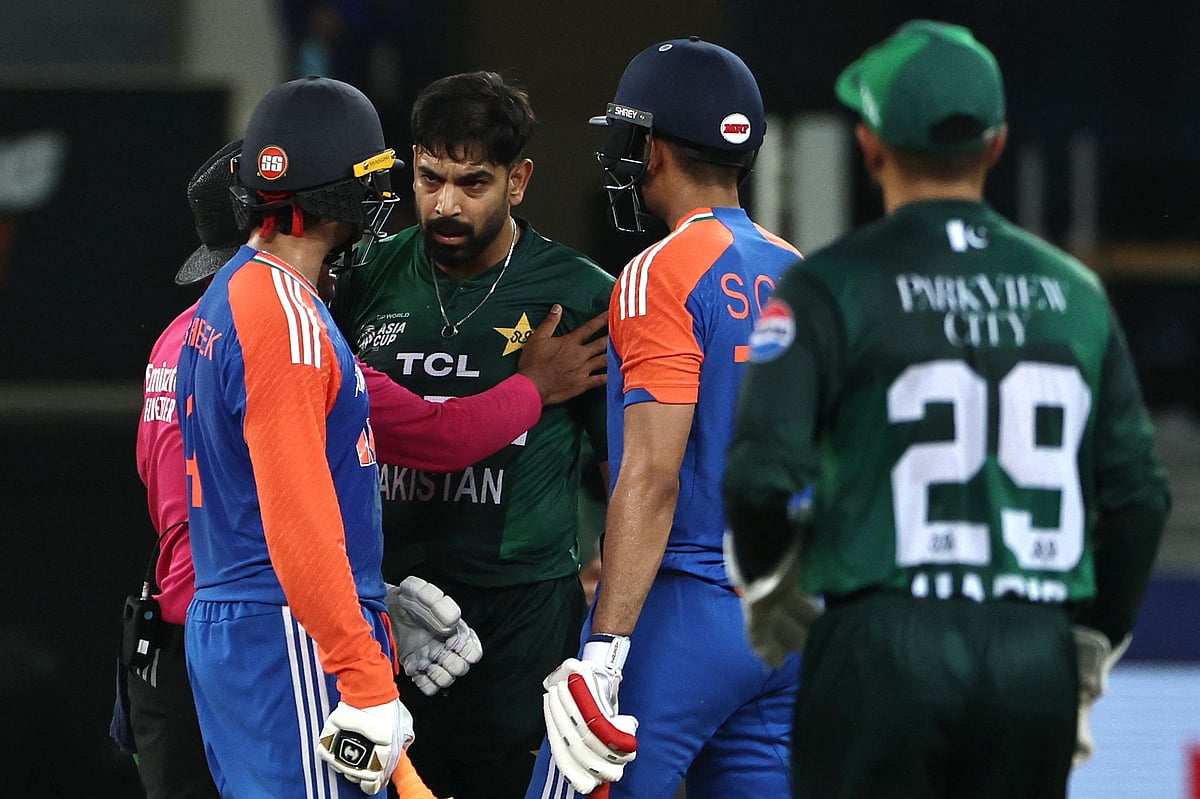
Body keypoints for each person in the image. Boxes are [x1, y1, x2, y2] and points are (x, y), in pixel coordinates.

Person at [722, 20, 1171, 799]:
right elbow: (1140, 499)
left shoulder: (832, 286)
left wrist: (771, 586)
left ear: (869, 145)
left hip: (880, 640)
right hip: (1031, 647)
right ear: (995, 147)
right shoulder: (1074, 294)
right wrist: (1088, 639)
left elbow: (760, 476)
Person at [174, 76, 605, 799]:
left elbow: (436, 432)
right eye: (395, 177)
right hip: (289, 628)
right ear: (339, 193)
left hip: (253, 624)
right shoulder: (291, 322)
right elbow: (299, 525)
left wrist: (373, 604)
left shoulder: (244, 301)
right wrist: (365, 672)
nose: (419, 199)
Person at [527, 37, 803, 799]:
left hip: (689, 608)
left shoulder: (660, 271)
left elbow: (651, 478)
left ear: (651, 149)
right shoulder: (800, 271)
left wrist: (607, 647)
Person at [331, 70, 615, 799]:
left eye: (474, 182)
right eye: (430, 177)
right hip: (389, 612)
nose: (446, 203)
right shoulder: (363, 275)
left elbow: (631, 469)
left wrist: (611, 605)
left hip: (526, 623)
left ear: (518, 181)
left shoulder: (581, 294)